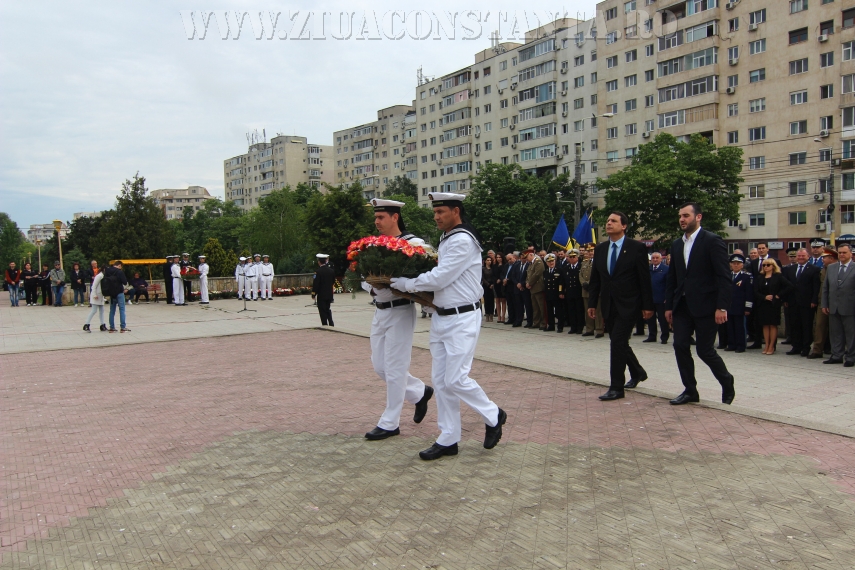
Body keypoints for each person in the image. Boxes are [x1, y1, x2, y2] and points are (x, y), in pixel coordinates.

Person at [391, 192, 505, 461]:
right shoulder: (449, 238)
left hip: (462, 318)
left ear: (456, 211)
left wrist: (406, 284)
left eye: (441, 212)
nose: (436, 217)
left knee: (456, 378)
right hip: (442, 316)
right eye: (434, 212)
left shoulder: (463, 240)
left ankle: (493, 414)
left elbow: (441, 277)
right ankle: (448, 437)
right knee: (442, 382)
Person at [362, 198, 433, 441]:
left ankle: (390, 422)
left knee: (395, 368)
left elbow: (423, 274)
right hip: (379, 310)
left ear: (395, 217)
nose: (376, 222)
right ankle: (419, 392)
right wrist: (371, 286)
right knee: (380, 366)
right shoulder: (372, 244)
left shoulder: (412, 244)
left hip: (400, 310)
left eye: (381, 217)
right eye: (375, 217)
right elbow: (362, 275)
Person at [664, 203, 736, 405]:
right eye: (680, 216)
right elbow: (673, 278)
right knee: (679, 346)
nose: (682, 219)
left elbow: (724, 276)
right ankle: (690, 390)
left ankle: (726, 381)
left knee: (705, 351)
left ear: (698, 217)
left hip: (706, 306)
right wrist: (669, 306)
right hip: (682, 306)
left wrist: (722, 307)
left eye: (686, 215)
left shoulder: (712, 241)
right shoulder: (677, 244)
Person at [587, 211, 654, 400]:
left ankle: (616, 387)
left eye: (613, 221)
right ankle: (638, 371)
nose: (609, 223)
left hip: (629, 304)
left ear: (624, 226)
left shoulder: (636, 248)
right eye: (608, 221)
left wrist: (647, 306)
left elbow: (644, 279)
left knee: (617, 341)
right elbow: (596, 279)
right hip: (608, 303)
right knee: (618, 342)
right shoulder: (600, 249)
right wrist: (592, 302)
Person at [782, 248, 821, 356]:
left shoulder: (814, 269)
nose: (800, 258)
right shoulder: (790, 269)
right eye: (799, 256)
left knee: (806, 325)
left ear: (808, 257)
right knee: (794, 325)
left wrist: (814, 300)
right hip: (792, 302)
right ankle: (796, 346)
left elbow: (815, 287)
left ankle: (806, 347)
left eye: (803, 256)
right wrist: (785, 299)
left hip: (807, 303)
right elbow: (786, 286)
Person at [821, 243, 855, 366]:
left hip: (850, 307)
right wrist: (824, 304)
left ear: (851, 253)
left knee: (851, 334)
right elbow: (826, 288)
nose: (841, 255)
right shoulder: (831, 268)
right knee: (835, 333)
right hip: (833, 306)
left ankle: (851, 357)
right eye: (840, 252)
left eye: (844, 252)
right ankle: (836, 355)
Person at [753, 257, 792, 355]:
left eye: (768, 265)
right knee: (765, 325)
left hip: (773, 304)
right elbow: (756, 291)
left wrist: (778, 295)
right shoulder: (760, 277)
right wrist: (764, 297)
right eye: (764, 265)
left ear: (773, 266)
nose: (766, 267)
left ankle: (772, 346)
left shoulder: (778, 276)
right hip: (763, 304)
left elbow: (789, 286)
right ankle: (766, 344)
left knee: (773, 325)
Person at [747, 242, 782, 350]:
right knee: (758, 320)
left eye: (763, 248)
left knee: (772, 323)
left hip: (772, 299)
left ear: (767, 249)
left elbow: (780, 280)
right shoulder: (754, 263)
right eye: (759, 248)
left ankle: (772, 345)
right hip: (759, 296)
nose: (761, 250)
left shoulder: (775, 261)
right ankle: (757, 342)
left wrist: (778, 295)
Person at [808, 247, 837, 359]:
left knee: (836, 329)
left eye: (824, 258)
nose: (822, 260)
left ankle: (836, 351)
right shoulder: (823, 270)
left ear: (831, 258)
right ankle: (817, 350)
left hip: (835, 303)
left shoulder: (837, 269)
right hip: (822, 302)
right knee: (819, 326)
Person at [724, 254, 753, 353]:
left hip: (740, 306)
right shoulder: (727, 276)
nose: (735, 265)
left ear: (742, 265)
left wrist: (748, 308)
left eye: (738, 264)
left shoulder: (746, 277)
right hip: (729, 306)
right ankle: (731, 344)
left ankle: (741, 345)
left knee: (740, 327)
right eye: (733, 263)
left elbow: (749, 293)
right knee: (730, 326)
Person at [645, 252, 670, 344]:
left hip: (661, 298)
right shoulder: (648, 269)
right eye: (653, 258)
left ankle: (664, 337)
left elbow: (669, 285)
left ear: (660, 259)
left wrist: (667, 297)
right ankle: (652, 336)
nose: (655, 260)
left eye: (657, 258)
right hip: (650, 298)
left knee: (662, 319)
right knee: (650, 319)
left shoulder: (666, 269)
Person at [580, 244, 605, 338]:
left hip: (596, 290)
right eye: (589, 251)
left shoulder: (600, 262)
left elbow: (598, 276)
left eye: (592, 251)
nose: (590, 253)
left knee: (598, 311)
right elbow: (580, 275)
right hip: (586, 290)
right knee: (588, 310)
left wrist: (590, 284)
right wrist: (583, 283)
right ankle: (589, 329)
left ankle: (599, 330)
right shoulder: (585, 262)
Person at [104, 260, 130, 332]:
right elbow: (124, 282)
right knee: (122, 309)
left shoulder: (107, 271)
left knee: (112, 310)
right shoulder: (119, 272)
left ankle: (112, 327)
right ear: (119, 265)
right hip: (119, 292)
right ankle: (122, 327)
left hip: (111, 293)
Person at [542, 253, 565, 332]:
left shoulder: (559, 270)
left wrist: (561, 292)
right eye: (549, 261)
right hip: (549, 294)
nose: (551, 263)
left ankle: (560, 326)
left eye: (552, 261)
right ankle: (551, 325)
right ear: (546, 263)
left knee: (559, 311)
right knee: (549, 311)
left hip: (556, 294)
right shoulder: (545, 272)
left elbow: (561, 282)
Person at [564, 249, 584, 334]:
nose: (572, 258)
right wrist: (561, 292)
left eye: (574, 257)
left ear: (577, 257)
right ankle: (573, 327)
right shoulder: (566, 267)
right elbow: (563, 281)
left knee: (579, 311)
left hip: (578, 292)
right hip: (569, 292)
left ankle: (580, 328)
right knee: (571, 311)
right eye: (570, 257)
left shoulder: (581, 266)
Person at [312, 253, 335, 326]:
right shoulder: (331, 271)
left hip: (321, 294)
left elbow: (316, 284)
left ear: (319, 262)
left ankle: (324, 324)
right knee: (328, 309)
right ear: (325, 261)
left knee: (322, 310)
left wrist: (313, 294)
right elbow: (333, 281)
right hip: (329, 293)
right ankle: (331, 323)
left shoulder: (318, 272)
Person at [526, 250, 545, 330]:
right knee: (535, 307)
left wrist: (530, 283)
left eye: (527, 257)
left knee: (541, 306)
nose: (526, 259)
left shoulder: (538, 262)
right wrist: (527, 282)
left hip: (538, 287)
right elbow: (528, 274)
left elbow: (537, 274)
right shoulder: (531, 264)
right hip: (532, 288)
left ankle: (543, 323)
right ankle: (536, 322)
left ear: (531, 255)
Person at [481, 257, 495, 322]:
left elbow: (494, 276)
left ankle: (491, 314)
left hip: (492, 285)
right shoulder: (483, 269)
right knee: (486, 300)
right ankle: (487, 314)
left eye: (490, 260)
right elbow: (482, 278)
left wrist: (492, 284)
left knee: (492, 301)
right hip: (486, 286)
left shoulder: (493, 269)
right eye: (488, 260)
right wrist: (488, 284)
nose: (489, 261)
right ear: (485, 261)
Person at [493, 255, 507, 323]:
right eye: (497, 257)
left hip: (502, 284)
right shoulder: (494, 265)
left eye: (500, 257)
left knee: (503, 300)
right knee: (497, 300)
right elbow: (493, 274)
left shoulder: (505, 265)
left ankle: (503, 316)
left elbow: (505, 274)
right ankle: (499, 316)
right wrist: (496, 280)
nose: (498, 258)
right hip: (496, 284)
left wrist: (501, 280)